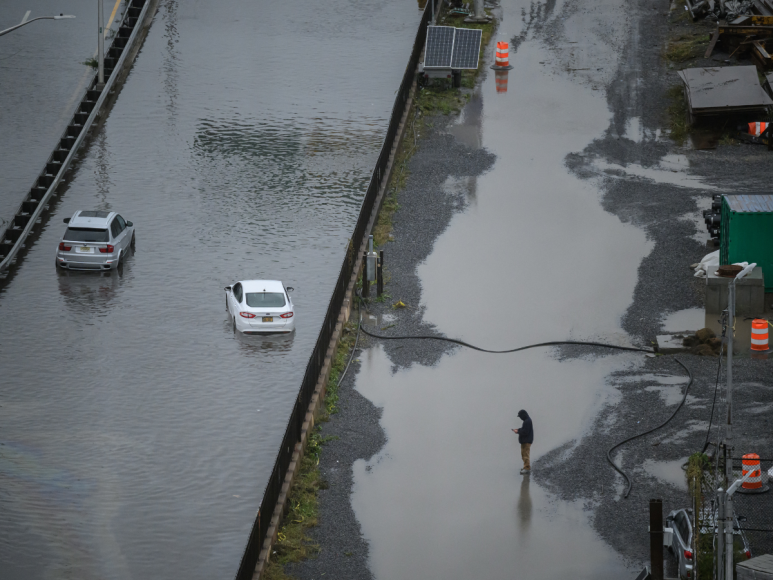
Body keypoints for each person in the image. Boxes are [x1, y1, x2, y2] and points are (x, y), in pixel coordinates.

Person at [512, 409, 533, 475]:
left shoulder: (527, 421)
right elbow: (524, 429)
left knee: (525, 455)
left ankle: (527, 468)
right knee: (524, 455)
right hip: (525, 441)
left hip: (526, 441)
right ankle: (525, 467)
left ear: (523, 415)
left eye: (520, 416)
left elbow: (525, 432)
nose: (520, 418)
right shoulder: (527, 420)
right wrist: (518, 429)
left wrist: (518, 431)